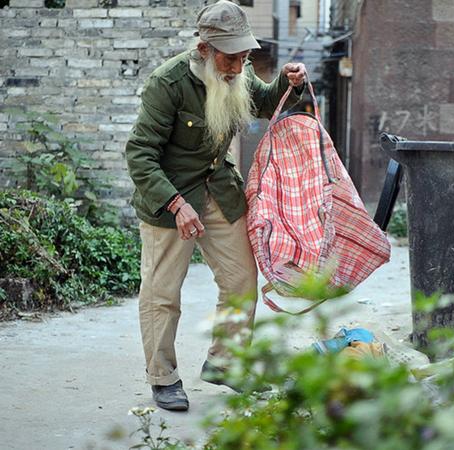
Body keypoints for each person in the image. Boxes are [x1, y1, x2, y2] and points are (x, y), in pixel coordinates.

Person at [125, 0, 307, 411]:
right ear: (205, 48)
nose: (240, 64)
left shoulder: (236, 72)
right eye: (232, 55)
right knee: (162, 294)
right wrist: (174, 203)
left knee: (242, 279)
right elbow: (140, 154)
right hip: (170, 198)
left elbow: (264, 103)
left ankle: (226, 363)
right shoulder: (168, 83)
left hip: (219, 190)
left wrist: (288, 81)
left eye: (245, 55)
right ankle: (163, 377)